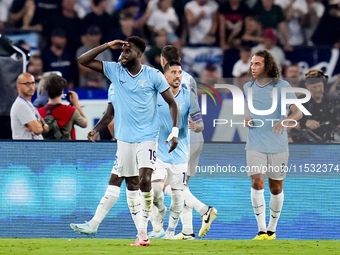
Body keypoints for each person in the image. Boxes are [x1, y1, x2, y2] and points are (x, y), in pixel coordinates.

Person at [69, 36, 179, 246]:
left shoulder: (153, 75)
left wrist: (174, 131)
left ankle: (145, 231)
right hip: (124, 140)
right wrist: (107, 46)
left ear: (139, 54)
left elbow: (172, 104)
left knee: (145, 179)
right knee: (131, 184)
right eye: (121, 51)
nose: (122, 54)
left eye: (127, 51)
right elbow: (83, 60)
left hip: (148, 136)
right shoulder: (115, 72)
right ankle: (141, 234)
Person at [160, 45, 217, 240]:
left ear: (162, 61)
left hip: (179, 139)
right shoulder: (189, 78)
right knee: (182, 186)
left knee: (168, 185)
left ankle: (204, 210)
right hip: (195, 137)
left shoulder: (164, 80)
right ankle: (187, 231)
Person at [244, 50, 302, 240]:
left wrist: (285, 121)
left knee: (275, 188)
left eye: (257, 64)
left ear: (267, 66)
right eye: (252, 64)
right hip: (254, 143)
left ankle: (272, 229)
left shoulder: (282, 86)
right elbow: (252, 113)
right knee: (256, 181)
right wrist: (248, 119)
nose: (253, 67)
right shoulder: (248, 87)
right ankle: (261, 231)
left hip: (278, 144)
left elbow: (297, 113)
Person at [149, 61, 204, 239]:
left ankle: (171, 233)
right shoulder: (155, 95)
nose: (178, 76)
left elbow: (201, 123)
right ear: (165, 76)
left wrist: (197, 126)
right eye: (173, 72)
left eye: (180, 72)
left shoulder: (189, 97)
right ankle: (160, 210)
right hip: (159, 151)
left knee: (178, 197)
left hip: (180, 153)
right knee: (157, 188)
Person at [289, 69, 340, 143]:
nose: (318, 90)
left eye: (320, 86)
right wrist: (304, 123)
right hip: (305, 144)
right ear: (307, 86)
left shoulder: (330, 102)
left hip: (329, 143)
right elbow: (286, 126)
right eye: (314, 87)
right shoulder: (300, 103)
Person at [37, 74, 87, 140]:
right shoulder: (70, 111)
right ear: (62, 91)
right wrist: (76, 105)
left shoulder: (38, 112)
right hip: (67, 148)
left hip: (47, 148)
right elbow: (84, 123)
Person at [10, 73, 49, 139]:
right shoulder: (21, 105)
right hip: (26, 147)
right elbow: (38, 130)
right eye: (27, 84)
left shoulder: (29, 105)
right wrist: (38, 124)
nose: (31, 86)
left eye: (33, 83)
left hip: (33, 147)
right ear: (18, 86)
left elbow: (47, 128)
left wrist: (39, 123)